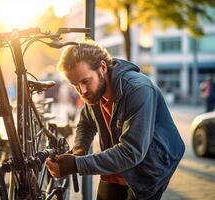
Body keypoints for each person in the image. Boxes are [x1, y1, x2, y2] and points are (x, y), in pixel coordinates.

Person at [46, 40, 185, 200]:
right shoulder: (94, 92)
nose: (81, 91)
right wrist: (79, 149)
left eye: (85, 81)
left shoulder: (138, 89)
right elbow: (86, 123)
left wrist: (76, 164)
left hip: (149, 168)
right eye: (75, 85)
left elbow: (131, 151)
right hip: (117, 164)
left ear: (102, 68)